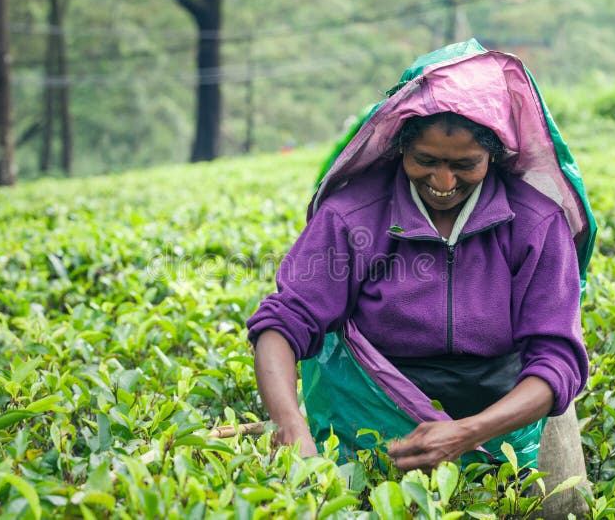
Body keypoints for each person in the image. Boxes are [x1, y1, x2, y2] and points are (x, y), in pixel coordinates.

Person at [246, 40, 594, 472]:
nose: (443, 181)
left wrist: (468, 432)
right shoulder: (352, 218)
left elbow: (556, 358)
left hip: (502, 419)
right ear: (399, 149)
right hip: (374, 416)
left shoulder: (536, 224)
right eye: (425, 160)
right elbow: (284, 322)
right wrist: (289, 424)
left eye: (465, 164)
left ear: (495, 156)